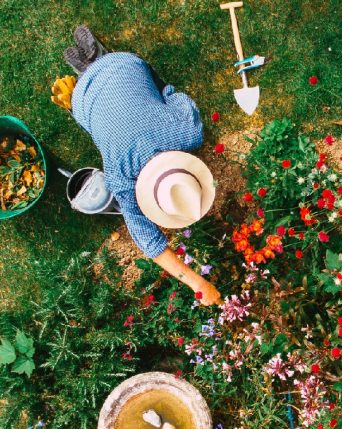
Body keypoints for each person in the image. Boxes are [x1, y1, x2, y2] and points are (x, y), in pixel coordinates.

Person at [58, 26, 221, 305]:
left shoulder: (188, 133)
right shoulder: (118, 178)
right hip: (83, 102)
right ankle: (90, 67)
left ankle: (94, 64)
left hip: (126, 65)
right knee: (100, 120)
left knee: (139, 92)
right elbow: (147, 241)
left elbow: (175, 96)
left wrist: (200, 282)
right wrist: (197, 283)